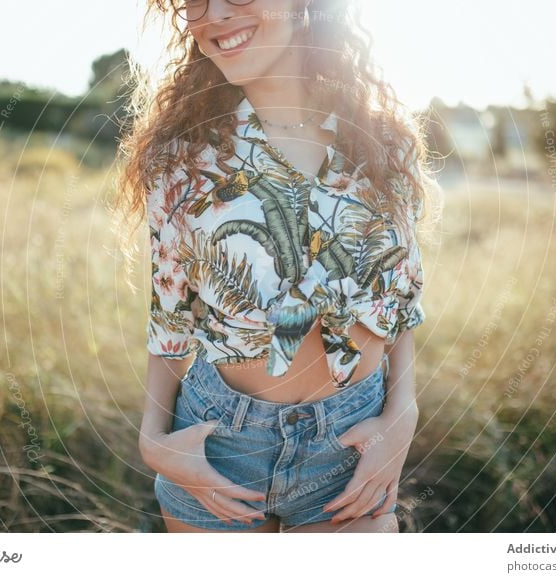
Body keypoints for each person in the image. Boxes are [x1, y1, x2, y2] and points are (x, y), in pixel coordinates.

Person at [113, 0, 438, 533]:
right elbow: (170, 314)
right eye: (194, 0)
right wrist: (154, 441)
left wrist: (402, 415)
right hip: (224, 441)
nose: (214, 13)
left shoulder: (384, 143)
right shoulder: (181, 159)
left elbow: (397, 301)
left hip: (352, 437)